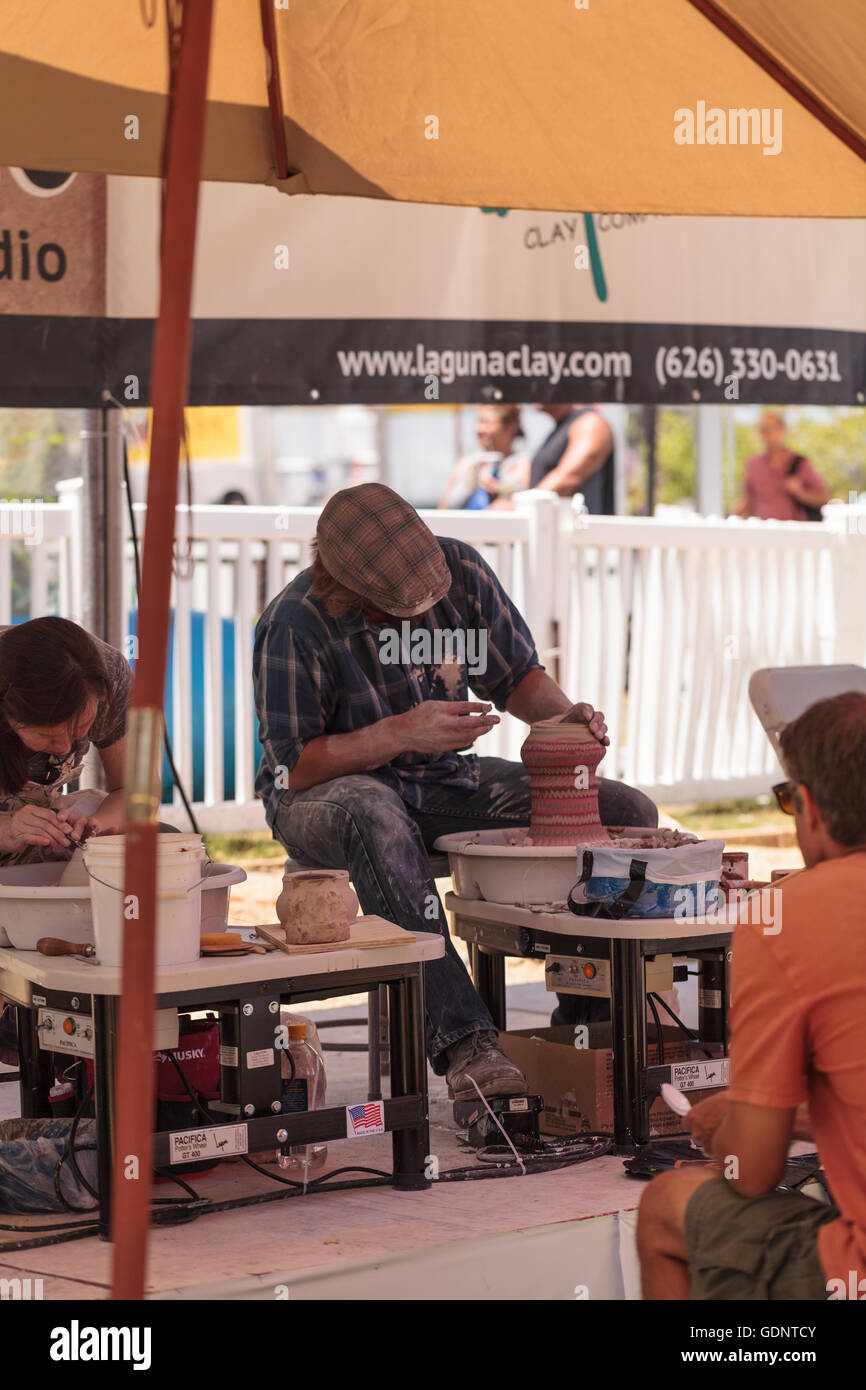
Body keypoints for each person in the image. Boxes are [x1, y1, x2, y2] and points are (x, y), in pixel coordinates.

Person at [253, 483, 657, 1100]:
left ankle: (584, 1037)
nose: (417, 616)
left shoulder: (461, 568)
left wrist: (567, 720)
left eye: (426, 603)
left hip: (441, 780)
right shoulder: (295, 623)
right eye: (398, 609)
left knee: (625, 812)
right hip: (323, 796)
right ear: (347, 588)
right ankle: (467, 1043)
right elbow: (294, 766)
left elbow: (517, 676)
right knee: (375, 811)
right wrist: (397, 733)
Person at [637, 691, 866, 1301]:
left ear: (811, 809)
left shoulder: (786, 917)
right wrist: (784, 1114)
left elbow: (755, 1172)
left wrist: (743, 1126)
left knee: (666, 1205)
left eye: (789, 799)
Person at [0, 617, 130, 864]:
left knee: (163, 835)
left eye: (81, 727)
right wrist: (6, 830)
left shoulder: (108, 675)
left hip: (30, 842)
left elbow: (135, 790)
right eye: (48, 737)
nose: (65, 747)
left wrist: (95, 826)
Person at [733, 410, 829, 521]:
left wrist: (801, 493)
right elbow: (748, 500)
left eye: (767, 430)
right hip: (763, 531)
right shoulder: (753, 464)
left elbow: (823, 498)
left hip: (794, 532)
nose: (764, 435)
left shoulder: (800, 463)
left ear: (781, 431)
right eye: (761, 431)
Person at [438, 404, 530, 510]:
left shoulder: (523, 467)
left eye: (486, 423)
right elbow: (443, 509)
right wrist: (472, 482)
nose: (478, 429)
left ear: (510, 428)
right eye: (478, 421)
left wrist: (500, 491)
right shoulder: (466, 464)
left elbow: (528, 509)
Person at [529, 404, 615, 513]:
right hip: (549, 525)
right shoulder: (559, 428)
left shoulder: (590, 422)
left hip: (579, 528)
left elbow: (569, 479)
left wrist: (520, 507)